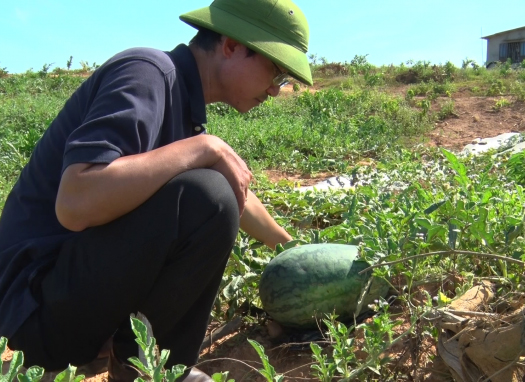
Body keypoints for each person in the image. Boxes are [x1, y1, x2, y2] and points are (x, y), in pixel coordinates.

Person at [0, 0, 312, 380]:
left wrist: (293, 251)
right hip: (38, 307)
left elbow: (238, 195)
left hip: (66, 291)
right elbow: (75, 202)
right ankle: (149, 371)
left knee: (212, 192)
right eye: (276, 73)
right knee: (206, 197)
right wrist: (204, 148)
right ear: (231, 46)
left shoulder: (181, 101)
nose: (276, 91)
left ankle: (140, 362)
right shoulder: (147, 73)